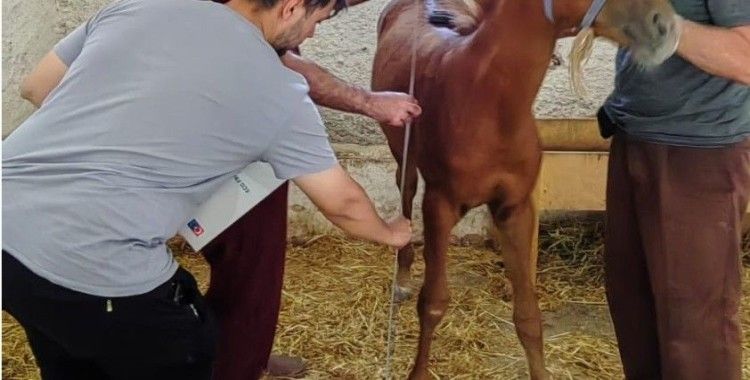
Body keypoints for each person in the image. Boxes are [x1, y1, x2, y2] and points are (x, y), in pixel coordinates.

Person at [2, 0, 415, 378]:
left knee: (66, 347)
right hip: (98, 264)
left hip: (8, 230)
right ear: (290, 8)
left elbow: (36, 87)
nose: (312, 35)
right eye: (317, 21)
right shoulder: (279, 91)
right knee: (188, 345)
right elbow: (342, 203)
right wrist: (391, 231)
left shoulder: (138, 6)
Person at [599, 1, 750, 379]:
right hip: (634, 136)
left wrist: (670, 29)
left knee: (695, 326)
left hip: (697, 152)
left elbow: (746, 56)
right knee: (634, 306)